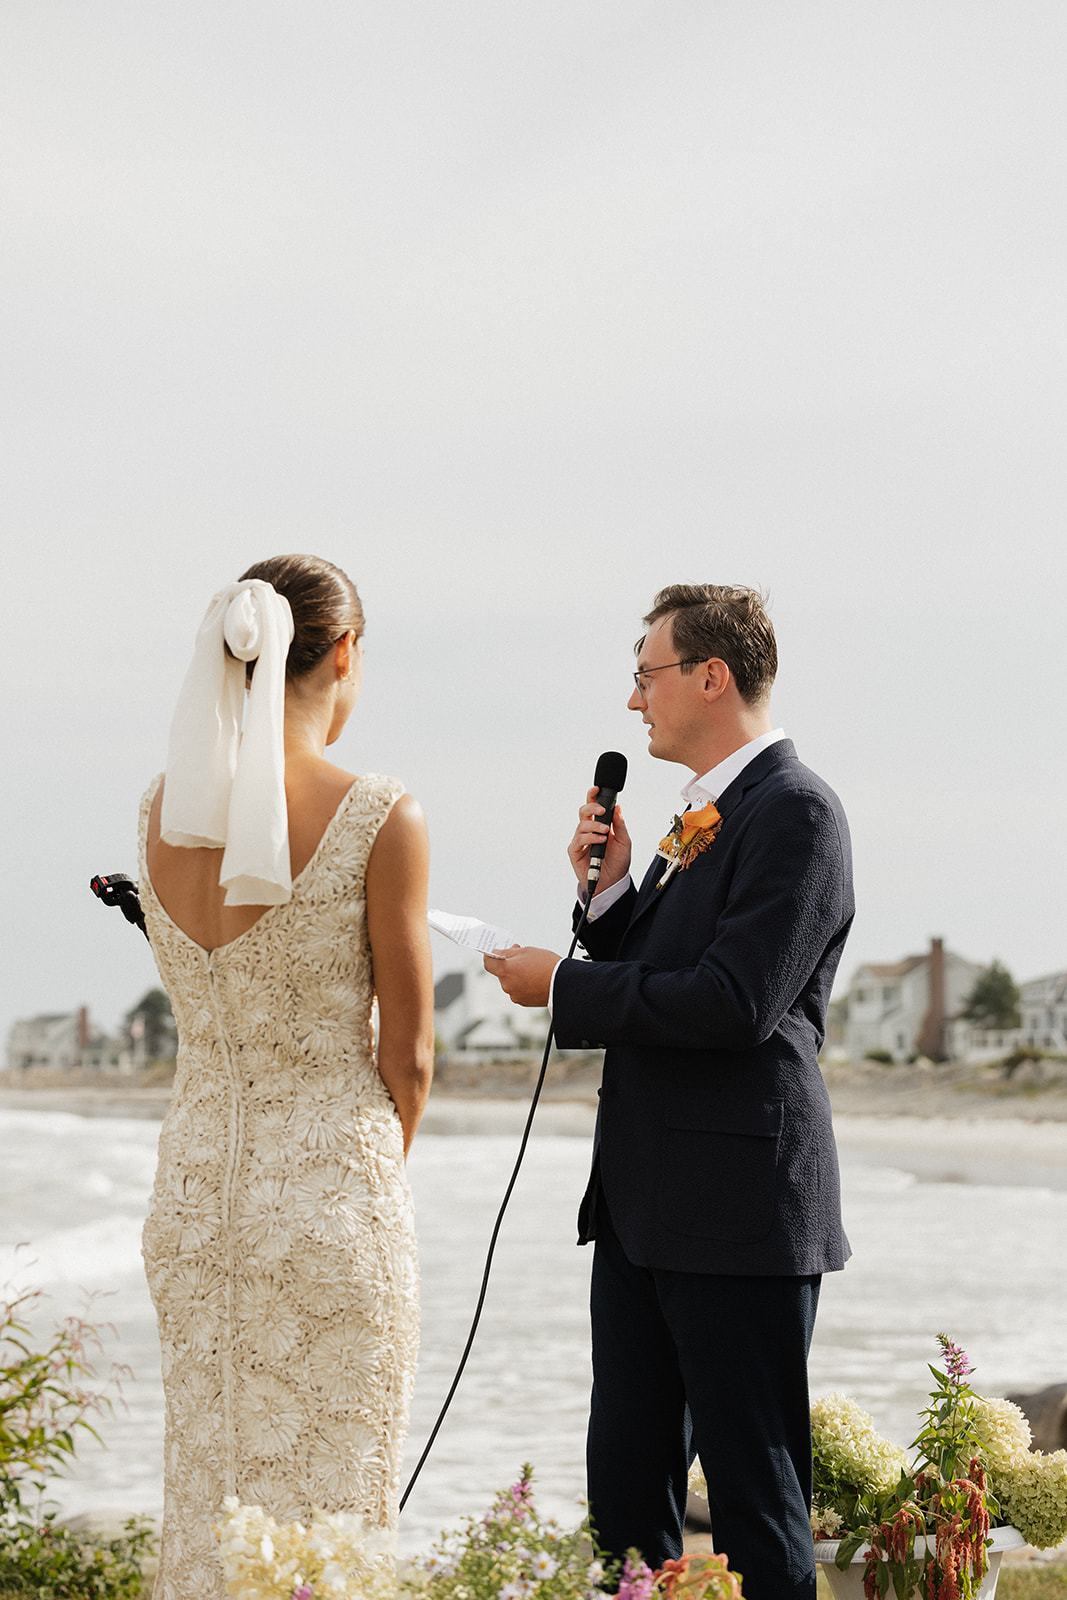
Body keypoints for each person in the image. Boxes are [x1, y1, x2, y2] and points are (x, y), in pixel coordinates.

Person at [484, 584, 853, 1600]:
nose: (634, 700)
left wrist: (558, 982)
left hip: (737, 1210)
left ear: (710, 675)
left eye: (645, 675)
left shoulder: (795, 811)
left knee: (752, 1497)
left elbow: (732, 1002)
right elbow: (662, 970)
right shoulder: (701, 815)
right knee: (625, 1494)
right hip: (644, 1205)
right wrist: (605, 902)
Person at [138, 554, 434, 1600]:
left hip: (192, 1197)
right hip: (325, 1202)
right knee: (331, 1507)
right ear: (345, 653)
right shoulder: (378, 813)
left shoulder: (159, 816)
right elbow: (408, 1052)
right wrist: (358, 1171)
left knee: (210, 1491)